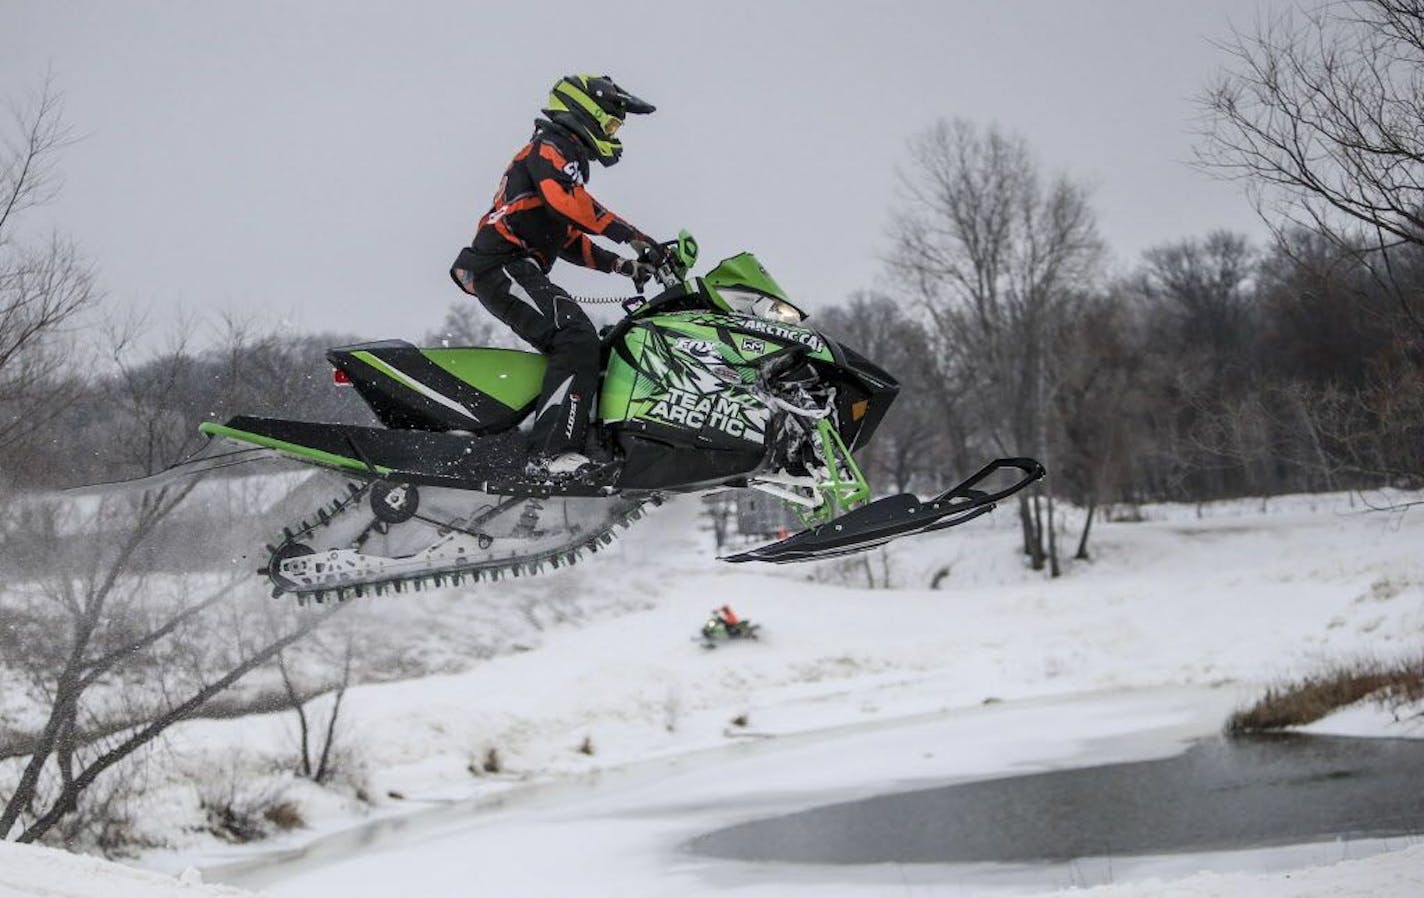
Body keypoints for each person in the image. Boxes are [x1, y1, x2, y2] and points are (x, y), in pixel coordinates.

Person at [450, 74, 664, 478]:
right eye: (612, 124)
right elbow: (571, 203)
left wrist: (624, 266)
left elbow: (567, 238)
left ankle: (577, 439)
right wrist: (635, 239)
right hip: (500, 264)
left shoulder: (559, 161)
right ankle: (549, 454)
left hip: (513, 265)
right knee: (574, 335)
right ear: (587, 113)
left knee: (589, 340)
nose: (614, 133)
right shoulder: (551, 147)